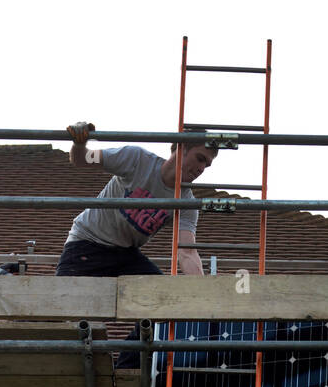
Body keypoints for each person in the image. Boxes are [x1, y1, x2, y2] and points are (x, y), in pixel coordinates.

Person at [56, 122, 218, 367]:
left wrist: (203, 295)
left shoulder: (186, 202)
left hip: (125, 255)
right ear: (181, 148)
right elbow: (81, 160)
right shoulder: (136, 159)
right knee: (62, 314)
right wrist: (80, 141)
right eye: (200, 158)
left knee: (164, 305)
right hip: (87, 244)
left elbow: (186, 252)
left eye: (207, 164)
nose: (202, 168)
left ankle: (125, 372)